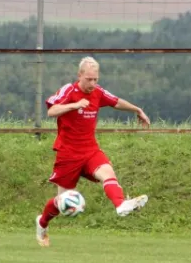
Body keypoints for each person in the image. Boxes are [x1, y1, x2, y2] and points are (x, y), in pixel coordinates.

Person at [35, 56, 150, 247]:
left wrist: (137, 110)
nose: (92, 83)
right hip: (68, 153)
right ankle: (42, 223)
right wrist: (74, 105)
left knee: (108, 173)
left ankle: (120, 205)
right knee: (62, 201)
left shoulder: (98, 92)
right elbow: (51, 111)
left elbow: (116, 101)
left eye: (96, 79)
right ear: (80, 75)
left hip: (90, 150)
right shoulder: (68, 90)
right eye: (89, 79)